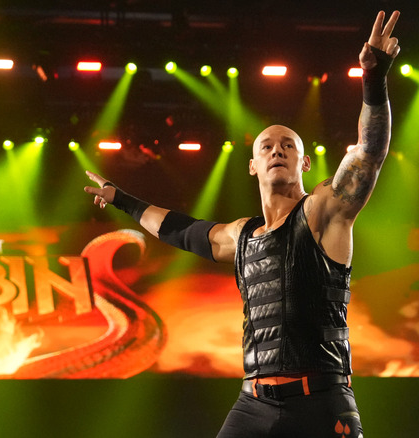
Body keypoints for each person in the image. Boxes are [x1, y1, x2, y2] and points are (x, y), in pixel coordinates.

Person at [84, 10, 401, 438]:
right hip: (254, 405)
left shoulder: (324, 212)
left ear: (304, 162)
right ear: (252, 165)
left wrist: (373, 78)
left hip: (322, 401)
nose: (277, 151)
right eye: (266, 145)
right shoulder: (243, 235)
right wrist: (122, 199)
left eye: (288, 145)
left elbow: (369, 151)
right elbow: (180, 230)